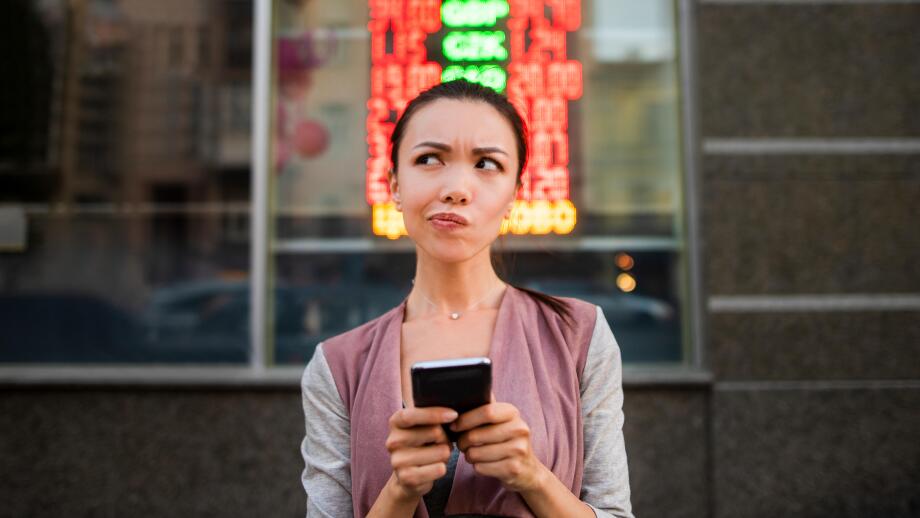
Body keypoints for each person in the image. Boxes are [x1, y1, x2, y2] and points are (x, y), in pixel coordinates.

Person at [300, 80, 634, 518]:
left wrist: (532, 475)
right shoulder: (339, 365)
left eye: (487, 164)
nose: (457, 187)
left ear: (515, 193)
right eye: (430, 159)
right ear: (394, 184)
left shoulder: (579, 335)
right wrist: (399, 491)